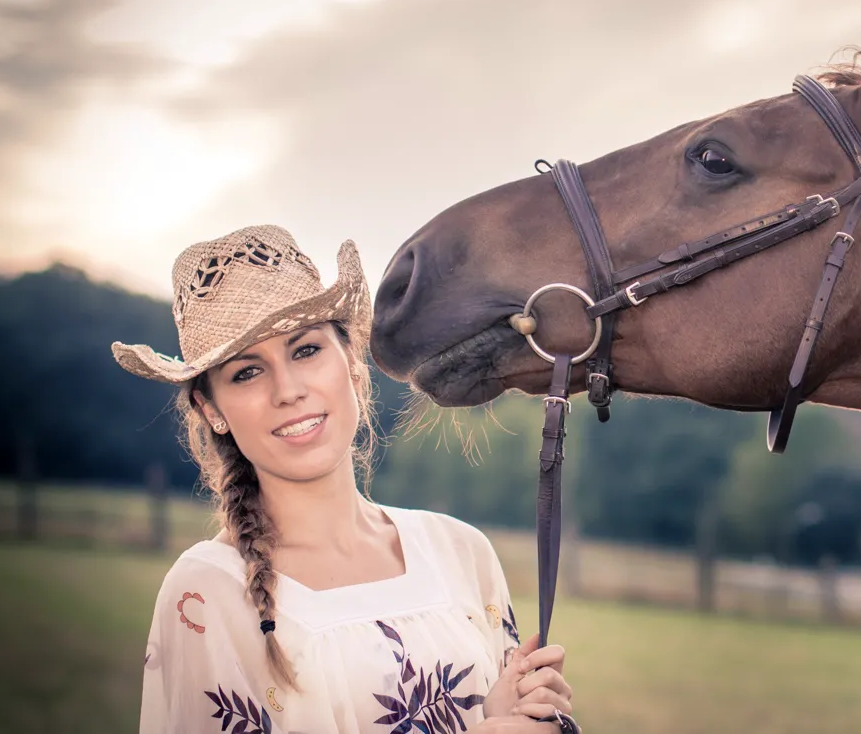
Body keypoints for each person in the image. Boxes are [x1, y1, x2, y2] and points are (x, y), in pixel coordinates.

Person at [113, 224, 579, 733]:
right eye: (247, 372)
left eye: (305, 350)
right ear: (211, 409)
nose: (288, 390)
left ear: (352, 362)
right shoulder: (204, 594)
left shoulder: (460, 551)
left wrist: (513, 714)